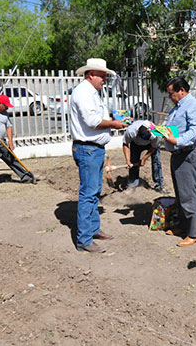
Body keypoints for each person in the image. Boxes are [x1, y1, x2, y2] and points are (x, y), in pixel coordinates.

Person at [70, 58, 129, 253]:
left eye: (105, 76)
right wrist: (114, 124)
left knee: (94, 191)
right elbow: (92, 121)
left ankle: (93, 230)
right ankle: (84, 239)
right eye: (102, 76)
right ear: (90, 74)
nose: (105, 79)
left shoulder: (92, 92)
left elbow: (98, 117)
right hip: (88, 148)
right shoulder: (84, 93)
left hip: (93, 149)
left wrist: (114, 118)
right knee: (88, 194)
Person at [162, 77, 196, 247]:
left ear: (182, 90)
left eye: (171, 93)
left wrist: (177, 141)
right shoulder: (176, 108)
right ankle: (183, 226)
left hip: (189, 153)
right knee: (181, 193)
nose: (169, 97)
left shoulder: (194, 106)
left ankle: (195, 233)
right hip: (178, 154)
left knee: (188, 194)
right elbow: (175, 130)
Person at [122, 120, 165, 192]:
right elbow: (125, 144)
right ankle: (132, 184)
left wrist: (144, 159)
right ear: (138, 132)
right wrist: (128, 161)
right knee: (133, 162)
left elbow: (154, 147)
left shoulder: (156, 133)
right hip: (136, 144)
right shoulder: (131, 131)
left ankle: (159, 185)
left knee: (156, 162)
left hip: (151, 144)